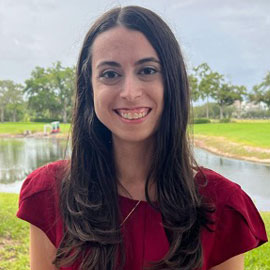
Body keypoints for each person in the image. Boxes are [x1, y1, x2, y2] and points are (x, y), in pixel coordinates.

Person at [17, 5, 267, 270]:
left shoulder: (222, 204)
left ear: (172, 81)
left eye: (147, 70)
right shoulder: (49, 193)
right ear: (89, 88)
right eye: (110, 74)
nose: (130, 92)